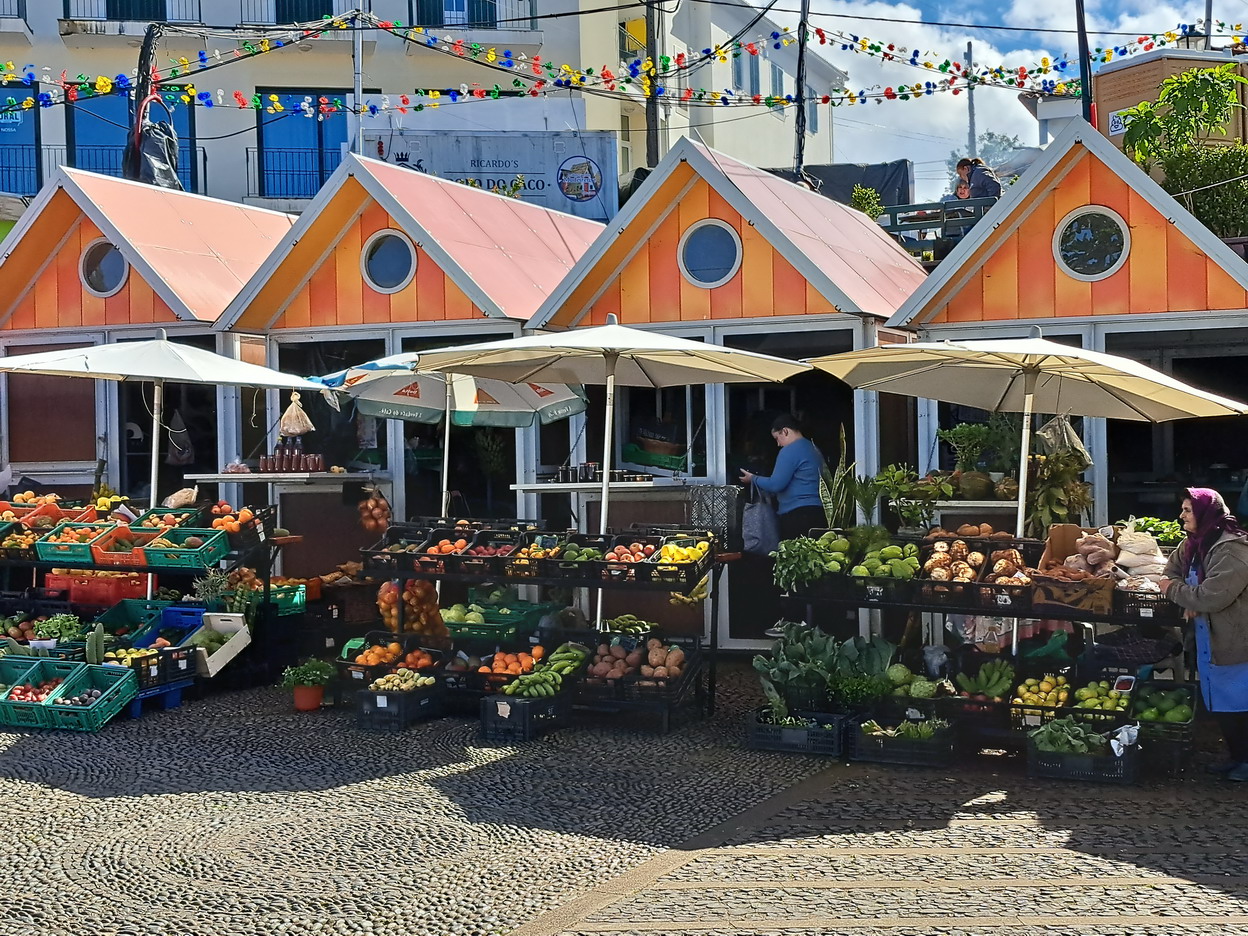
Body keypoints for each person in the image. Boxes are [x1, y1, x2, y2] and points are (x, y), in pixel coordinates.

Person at [1158, 488, 1248, 781]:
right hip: (1208, 637)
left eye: (1187, 510)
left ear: (1205, 514)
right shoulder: (1191, 544)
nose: (1181, 516)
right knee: (1220, 701)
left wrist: (1181, 594)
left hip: (1236, 637)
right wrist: (1187, 596)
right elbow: (1168, 572)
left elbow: (1212, 597)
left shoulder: (1232, 549)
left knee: (1240, 701)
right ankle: (1236, 757)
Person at [739, 415, 826, 541]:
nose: (778, 444)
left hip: (797, 515)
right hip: (818, 513)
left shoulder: (790, 450)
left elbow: (776, 484)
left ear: (785, 431)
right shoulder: (813, 448)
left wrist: (753, 479)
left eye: (777, 438)